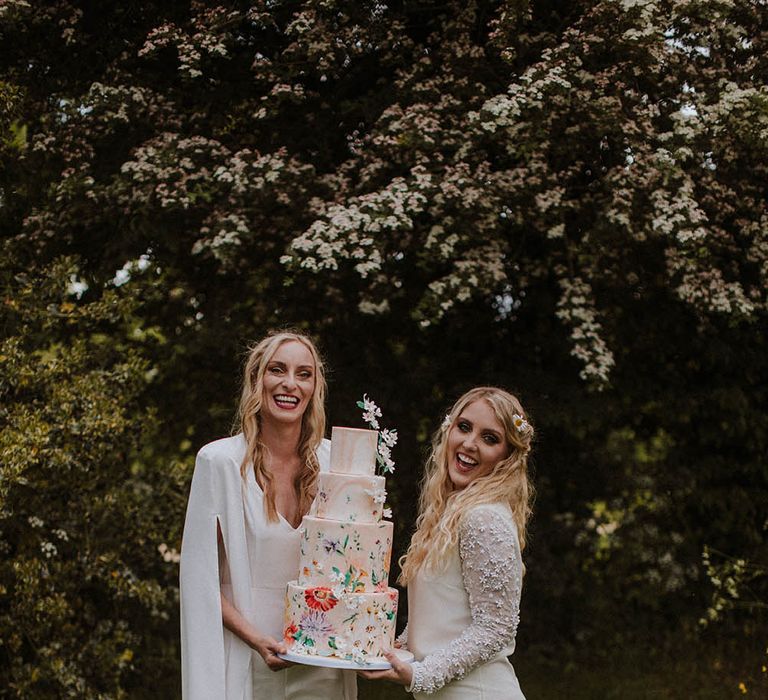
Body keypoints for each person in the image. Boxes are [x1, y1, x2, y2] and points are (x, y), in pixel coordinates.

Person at [180, 331, 356, 700]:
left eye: (303, 374)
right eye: (278, 370)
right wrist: (257, 640)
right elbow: (199, 582)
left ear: (315, 387)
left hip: (321, 665)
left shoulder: (334, 463)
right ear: (257, 380)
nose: (290, 383)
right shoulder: (220, 462)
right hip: (246, 659)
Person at [360, 386, 534, 698]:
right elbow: (444, 617)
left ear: (507, 457)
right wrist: (394, 646)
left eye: (489, 438)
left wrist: (420, 674)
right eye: (464, 427)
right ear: (449, 429)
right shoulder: (450, 513)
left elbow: (495, 629)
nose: (470, 444)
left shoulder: (484, 517)